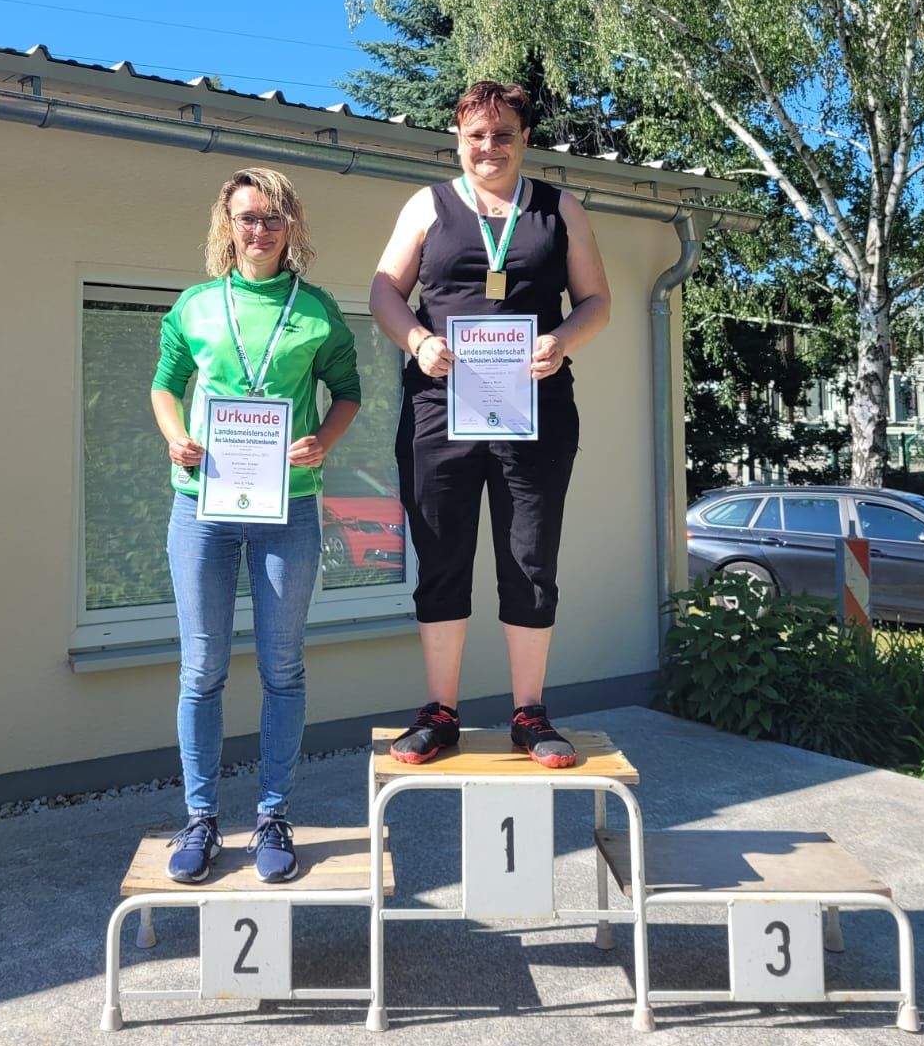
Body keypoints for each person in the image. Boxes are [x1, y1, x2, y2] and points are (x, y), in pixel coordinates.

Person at [370, 81, 611, 767]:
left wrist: (561, 340)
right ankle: (439, 712)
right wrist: (417, 340)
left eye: (503, 133)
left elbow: (596, 301)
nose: (489, 146)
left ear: (525, 139)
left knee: (530, 560)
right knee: (441, 554)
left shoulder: (560, 209)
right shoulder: (427, 205)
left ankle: (529, 713)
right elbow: (385, 290)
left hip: (534, 410)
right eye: (476, 134)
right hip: (439, 407)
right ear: (457, 138)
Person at [151, 168, 361, 882]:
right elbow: (165, 385)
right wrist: (175, 436)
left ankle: (273, 814)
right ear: (228, 224)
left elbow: (348, 391)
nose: (260, 229)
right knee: (202, 668)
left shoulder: (317, 309)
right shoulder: (196, 305)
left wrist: (323, 441)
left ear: (290, 224)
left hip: (288, 506)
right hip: (202, 504)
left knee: (282, 667)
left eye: (273, 217)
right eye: (248, 217)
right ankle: (201, 819)